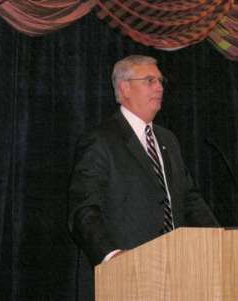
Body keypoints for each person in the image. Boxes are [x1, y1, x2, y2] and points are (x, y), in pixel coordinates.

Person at [68, 54, 219, 278]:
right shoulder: (101, 141)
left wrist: (218, 238)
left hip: (175, 267)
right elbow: (84, 209)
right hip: (128, 272)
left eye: (160, 81)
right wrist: (111, 256)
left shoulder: (168, 139)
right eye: (150, 81)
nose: (159, 88)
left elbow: (189, 198)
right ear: (125, 88)